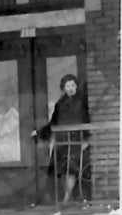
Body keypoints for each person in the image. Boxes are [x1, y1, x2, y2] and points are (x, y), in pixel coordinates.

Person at [31, 74, 90, 203]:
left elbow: (87, 119)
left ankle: (67, 198)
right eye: (67, 86)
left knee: (73, 169)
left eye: (73, 85)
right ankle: (64, 197)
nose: (70, 88)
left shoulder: (83, 102)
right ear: (63, 88)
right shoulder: (60, 104)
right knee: (63, 171)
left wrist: (86, 138)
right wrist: (40, 133)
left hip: (76, 140)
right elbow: (54, 123)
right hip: (62, 141)